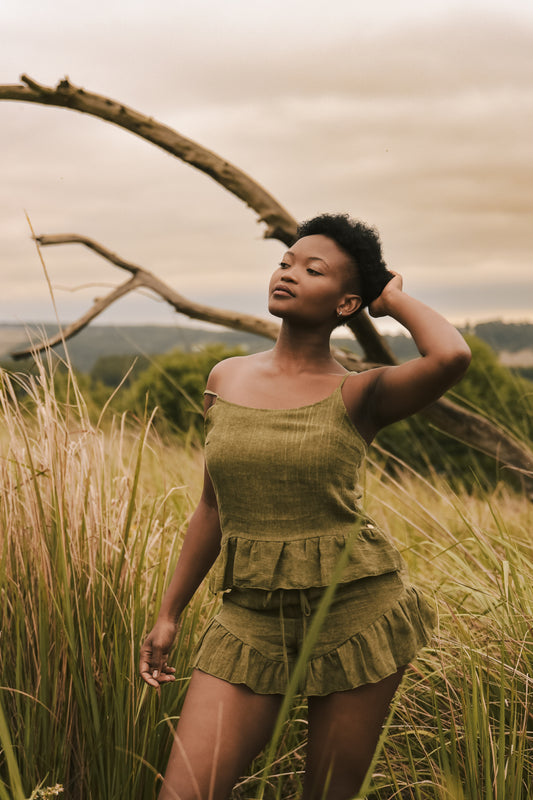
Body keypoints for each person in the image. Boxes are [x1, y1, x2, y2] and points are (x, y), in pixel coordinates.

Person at [140, 213, 471, 800]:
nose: (288, 274)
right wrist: (170, 614)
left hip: (356, 612)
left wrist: (391, 298)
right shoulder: (226, 377)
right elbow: (212, 509)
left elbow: (450, 357)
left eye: (312, 270)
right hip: (250, 617)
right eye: (286, 262)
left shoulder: (361, 392)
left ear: (347, 303)